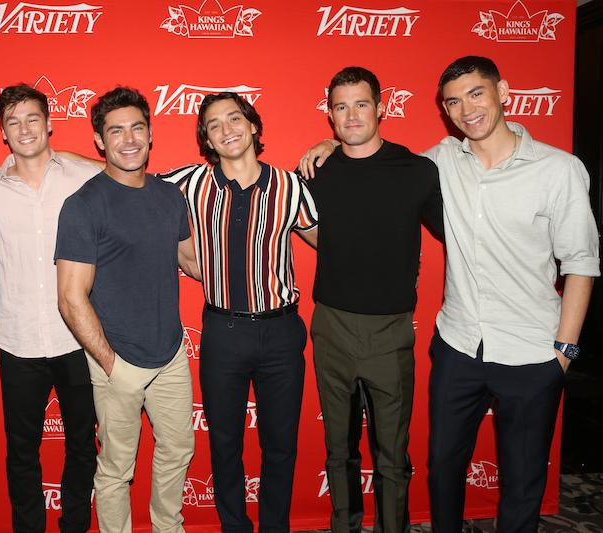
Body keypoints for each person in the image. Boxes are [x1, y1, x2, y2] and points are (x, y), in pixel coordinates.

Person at [299, 56, 600, 532]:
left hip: (532, 347)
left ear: (503, 90)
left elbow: (582, 263)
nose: (467, 109)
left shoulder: (557, 170)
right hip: (459, 344)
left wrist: (564, 351)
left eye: (476, 94)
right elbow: (366, 159)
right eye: (454, 101)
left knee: (522, 481)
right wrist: (329, 144)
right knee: (442, 471)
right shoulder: (439, 161)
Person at [60, 91, 319, 532]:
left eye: (234, 119)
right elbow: (71, 294)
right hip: (191, 339)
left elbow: (330, 245)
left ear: (253, 126)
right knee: (187, 453)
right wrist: (48, 155)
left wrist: (334, 147)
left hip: (257, 335)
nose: (227, 130)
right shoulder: (184, 184)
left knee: (214, 448)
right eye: (214, 124)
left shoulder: (284, 186)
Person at [303, 67, 442, 533]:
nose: (351, 115)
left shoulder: (418, 171)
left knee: (392, 453)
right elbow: (300, 225)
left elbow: (460, 235)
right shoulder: (314, 172)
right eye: (341, 106)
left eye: (361, 104)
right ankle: (345, 525)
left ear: (381, 107)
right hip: (332, 326)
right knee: (338, 447)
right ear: (330, 115)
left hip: (391, 331)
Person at [55, 87, 199, 533]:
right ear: (100, 141)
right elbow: (70, 297)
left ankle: (166, 529)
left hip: (171, 355)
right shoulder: (83, 205)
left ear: (151, 133)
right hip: (117, 359)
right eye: (116, 131)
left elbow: (192, 261)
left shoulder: (170, 196)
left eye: (137, 127)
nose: (129, 138)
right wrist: (110, 364)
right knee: (116, 469)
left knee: (178, 449)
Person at [0, 84, 100, 533]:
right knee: (21, 450)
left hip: (78, 337)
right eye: (13, 122)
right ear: (3, 133)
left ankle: (74, 527)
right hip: (17, 339)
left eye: (33, 118)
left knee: (83, 445)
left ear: (49, 123)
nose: (24, 129)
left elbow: (131, 172)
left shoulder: (82, 177)